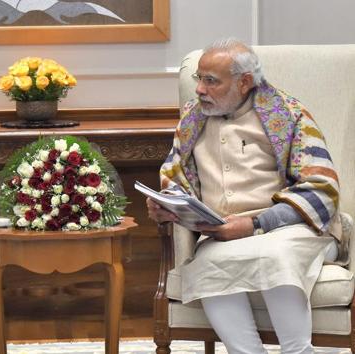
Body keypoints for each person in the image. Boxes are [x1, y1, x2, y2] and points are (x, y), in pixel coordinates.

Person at [147, 38, 346, 354]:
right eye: (199, 78)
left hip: (292, 229)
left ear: (244, 82)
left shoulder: (287, 116)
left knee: (274, 256)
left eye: (211, 81)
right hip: (222, 234)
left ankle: (298, 350)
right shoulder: (191, 120)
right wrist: (167, 206)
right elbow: (177, 180)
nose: (199, 89)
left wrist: (254, 224)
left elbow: (322, 190)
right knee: (205, 264)